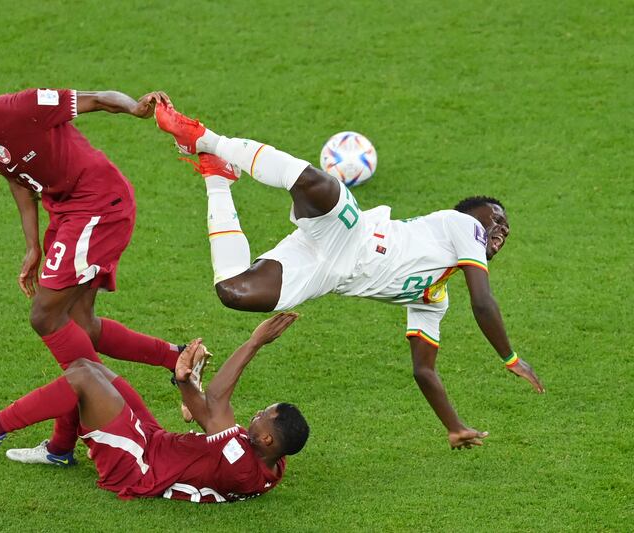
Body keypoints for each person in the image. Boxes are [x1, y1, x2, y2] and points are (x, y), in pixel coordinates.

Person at [154, 102, 545, 450]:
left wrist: (455, 427)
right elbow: (483, 301)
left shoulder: (432, 297)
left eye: (506, 227)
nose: (501, 228)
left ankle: (217, 175)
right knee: (314, 184)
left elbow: (424, 371)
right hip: (354, 233)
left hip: (325, 273)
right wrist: (509, 358)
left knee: (233, 291)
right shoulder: (462, 226)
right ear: (473, 218)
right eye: (496, 219)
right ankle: (206, 138)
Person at [0, 81, 202, 465]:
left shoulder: (22, 106)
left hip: (98, 205)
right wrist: (32, 245)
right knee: (82, 327)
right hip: (67, 211)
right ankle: (68, 442)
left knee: (45, 315)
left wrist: (134, 107)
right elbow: (16, 178)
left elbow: (97, 99)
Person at [0, 312, 309, 503]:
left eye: (263, 415)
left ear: (265, 438)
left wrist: (255, 341)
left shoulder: (241, 465)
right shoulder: (270, 463)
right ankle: (58, 451)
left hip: (138, 467)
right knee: (93, 371)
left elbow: (213, 402)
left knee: (84, 376)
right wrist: (184, 381)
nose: (256, 413)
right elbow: (206, 412)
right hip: (157, 444)